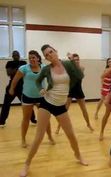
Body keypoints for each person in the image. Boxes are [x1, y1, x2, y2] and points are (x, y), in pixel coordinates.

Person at [19, 45, 88, 177]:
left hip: (61, 106)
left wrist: (73, 61)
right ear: (45, 58)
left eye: (51, 52)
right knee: (38, 137)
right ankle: (27, 164)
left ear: (56, 51)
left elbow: (80, 76)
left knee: (71, 135)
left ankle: (78, 155)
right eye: (47, 55)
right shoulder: (46, 69)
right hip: (47, 103)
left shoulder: (67, 64)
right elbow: (38, 82)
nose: (50, 55)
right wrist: (41, 90)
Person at [9, 50, 55, 148]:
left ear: (38, 58)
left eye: (33, 57)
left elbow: (51, 81)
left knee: (45, 119)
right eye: (29, 58)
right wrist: (11, 89)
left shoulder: (44, 68)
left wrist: (50, 90)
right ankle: (23, 140)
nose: (31, 59)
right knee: (26, 119)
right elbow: (15, 80)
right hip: (27, 97)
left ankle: (50, 137)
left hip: (41, 98)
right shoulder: (23, 68)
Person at [55, 53, 94, 134]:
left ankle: (88, 124)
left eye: (77, 59)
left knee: (84, 110)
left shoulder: (82, 68)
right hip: (70, 90)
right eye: (74, 60)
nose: (76, 61)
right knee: (64, 110)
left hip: (79, 91)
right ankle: (59, 127)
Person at [0, 51, 37, 127]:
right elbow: (9, 73)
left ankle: (33, 120)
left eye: (17, 55)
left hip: (22, 86)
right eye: (14, 55)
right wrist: (19, 69)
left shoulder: (23, 62)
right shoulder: (9, 63)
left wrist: (18, 70)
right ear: (12, 56)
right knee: (6, 104)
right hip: (12, 86)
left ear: (19, 55)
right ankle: (1, 121)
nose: (16, 56)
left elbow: (25, 73)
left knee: (28, 104)